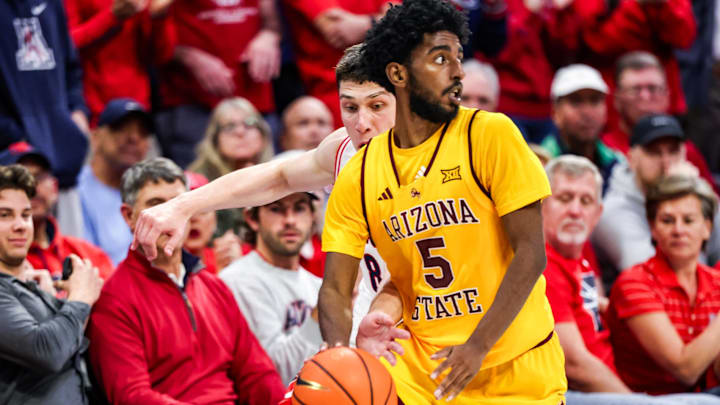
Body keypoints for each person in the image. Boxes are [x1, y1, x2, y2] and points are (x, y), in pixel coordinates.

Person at [321, 0, 566, 403]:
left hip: (518, 370)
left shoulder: (490, 134)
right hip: (424, 379)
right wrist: (337, 356)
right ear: (398, 74)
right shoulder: (360, 174)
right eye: (439, 58)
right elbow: (334, 286)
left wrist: (477, 347)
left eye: (457, 57)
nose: (457, 72)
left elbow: (531, 254)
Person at [131, 44, 398, 346]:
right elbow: (277, 177)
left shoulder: (453, 150)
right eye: (350, 108)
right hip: (376, 328)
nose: (362, 124)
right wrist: (182, 206)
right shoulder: (343, 150)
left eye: (377, 106)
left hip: (441, 324)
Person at [86, 157, 285, 404]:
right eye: (156, 204)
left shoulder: (214, 287)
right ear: (129, 216)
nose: (169, 216)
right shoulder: (114, 300)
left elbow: (257, 373)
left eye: (178, 204)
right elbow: (132, 397)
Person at [542, 156, 720, 405]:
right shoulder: (542, 265)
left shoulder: (579, 257)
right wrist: (637, 402)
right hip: (580, 393)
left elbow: (583, 317)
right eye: (564, 198)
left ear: (598, 213)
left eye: (586, 201)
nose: (575, 210)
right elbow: (574, 364)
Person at [607, 174, 720, 395]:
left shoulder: (716, 282)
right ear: (653, 228)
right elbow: (685, 369)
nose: (678, 230)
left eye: (688, 220)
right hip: (652, 400)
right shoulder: (635, 283)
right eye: (667, 221)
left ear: (706, 228)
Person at [0, 164, 104, 404]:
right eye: (4, 215)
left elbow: (69, 345)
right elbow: (48, 351)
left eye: (25, 214)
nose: (20, 225)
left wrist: (49, 301)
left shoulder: (31, 286)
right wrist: (80, 298)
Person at [592, 114, 720, 286]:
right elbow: (658, 278)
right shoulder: (613, 210)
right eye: (654, 152)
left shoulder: (695, 190)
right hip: (637, 305)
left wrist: (697, 192)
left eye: (672, 151)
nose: (666, 162)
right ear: (631, 158)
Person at [155, 0, 282, 167]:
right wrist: (188, 56)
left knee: (268, 182)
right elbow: (150, 30)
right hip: (194, 105)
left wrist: (269, 37)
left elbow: (271, 23)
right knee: (199, 185)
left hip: (255, 99)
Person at [220, 190, 322, 385]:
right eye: (276, 209)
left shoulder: (316, 285)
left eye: (299, 208)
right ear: (252, 218)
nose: (290, 220)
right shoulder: (237, 281)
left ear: (312, 216)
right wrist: (324, 310)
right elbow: (274, 376)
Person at [0, 0, 90, 190]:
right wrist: (17, 139)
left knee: (66, 219)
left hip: (65, 155)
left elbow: (71, 66)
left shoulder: (53, 4)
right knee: (17, 217)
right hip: (11, 161)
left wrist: (77, 113)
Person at [600, 52, 716, 192]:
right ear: (617, 99)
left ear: (667, 96)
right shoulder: (603, 150)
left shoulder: (686, 150)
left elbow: (713, 206)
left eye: (653, 88)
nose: (645, 96)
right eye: (635, 90)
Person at [0, 142, 114, 281]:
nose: (33, 188)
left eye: (38, 177)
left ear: (55, 187)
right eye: (18, 183)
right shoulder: (6, 266)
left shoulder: (89, 256)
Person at [64, 0, 176, 122]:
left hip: (137, 107)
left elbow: (161, 56)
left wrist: (158, 18)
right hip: (91, 107)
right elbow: (65, 44)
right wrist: (112, 16)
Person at [78, 98, 152, 265]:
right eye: (121, 128)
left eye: (143, 132)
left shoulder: (152, 193)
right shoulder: (75, 190)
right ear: (96, 136)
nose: (134, 137)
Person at [540, 64, 622, 193]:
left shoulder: (618, 164)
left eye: (594, 101)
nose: (587, 112)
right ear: (555, 112)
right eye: (575, 101)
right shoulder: (538, 166)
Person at [182, 171, 241, 274]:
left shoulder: (228, 255)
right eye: (184, 210)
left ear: (215, 220)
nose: (194, 218)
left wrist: (237, 269)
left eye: (203, 210)